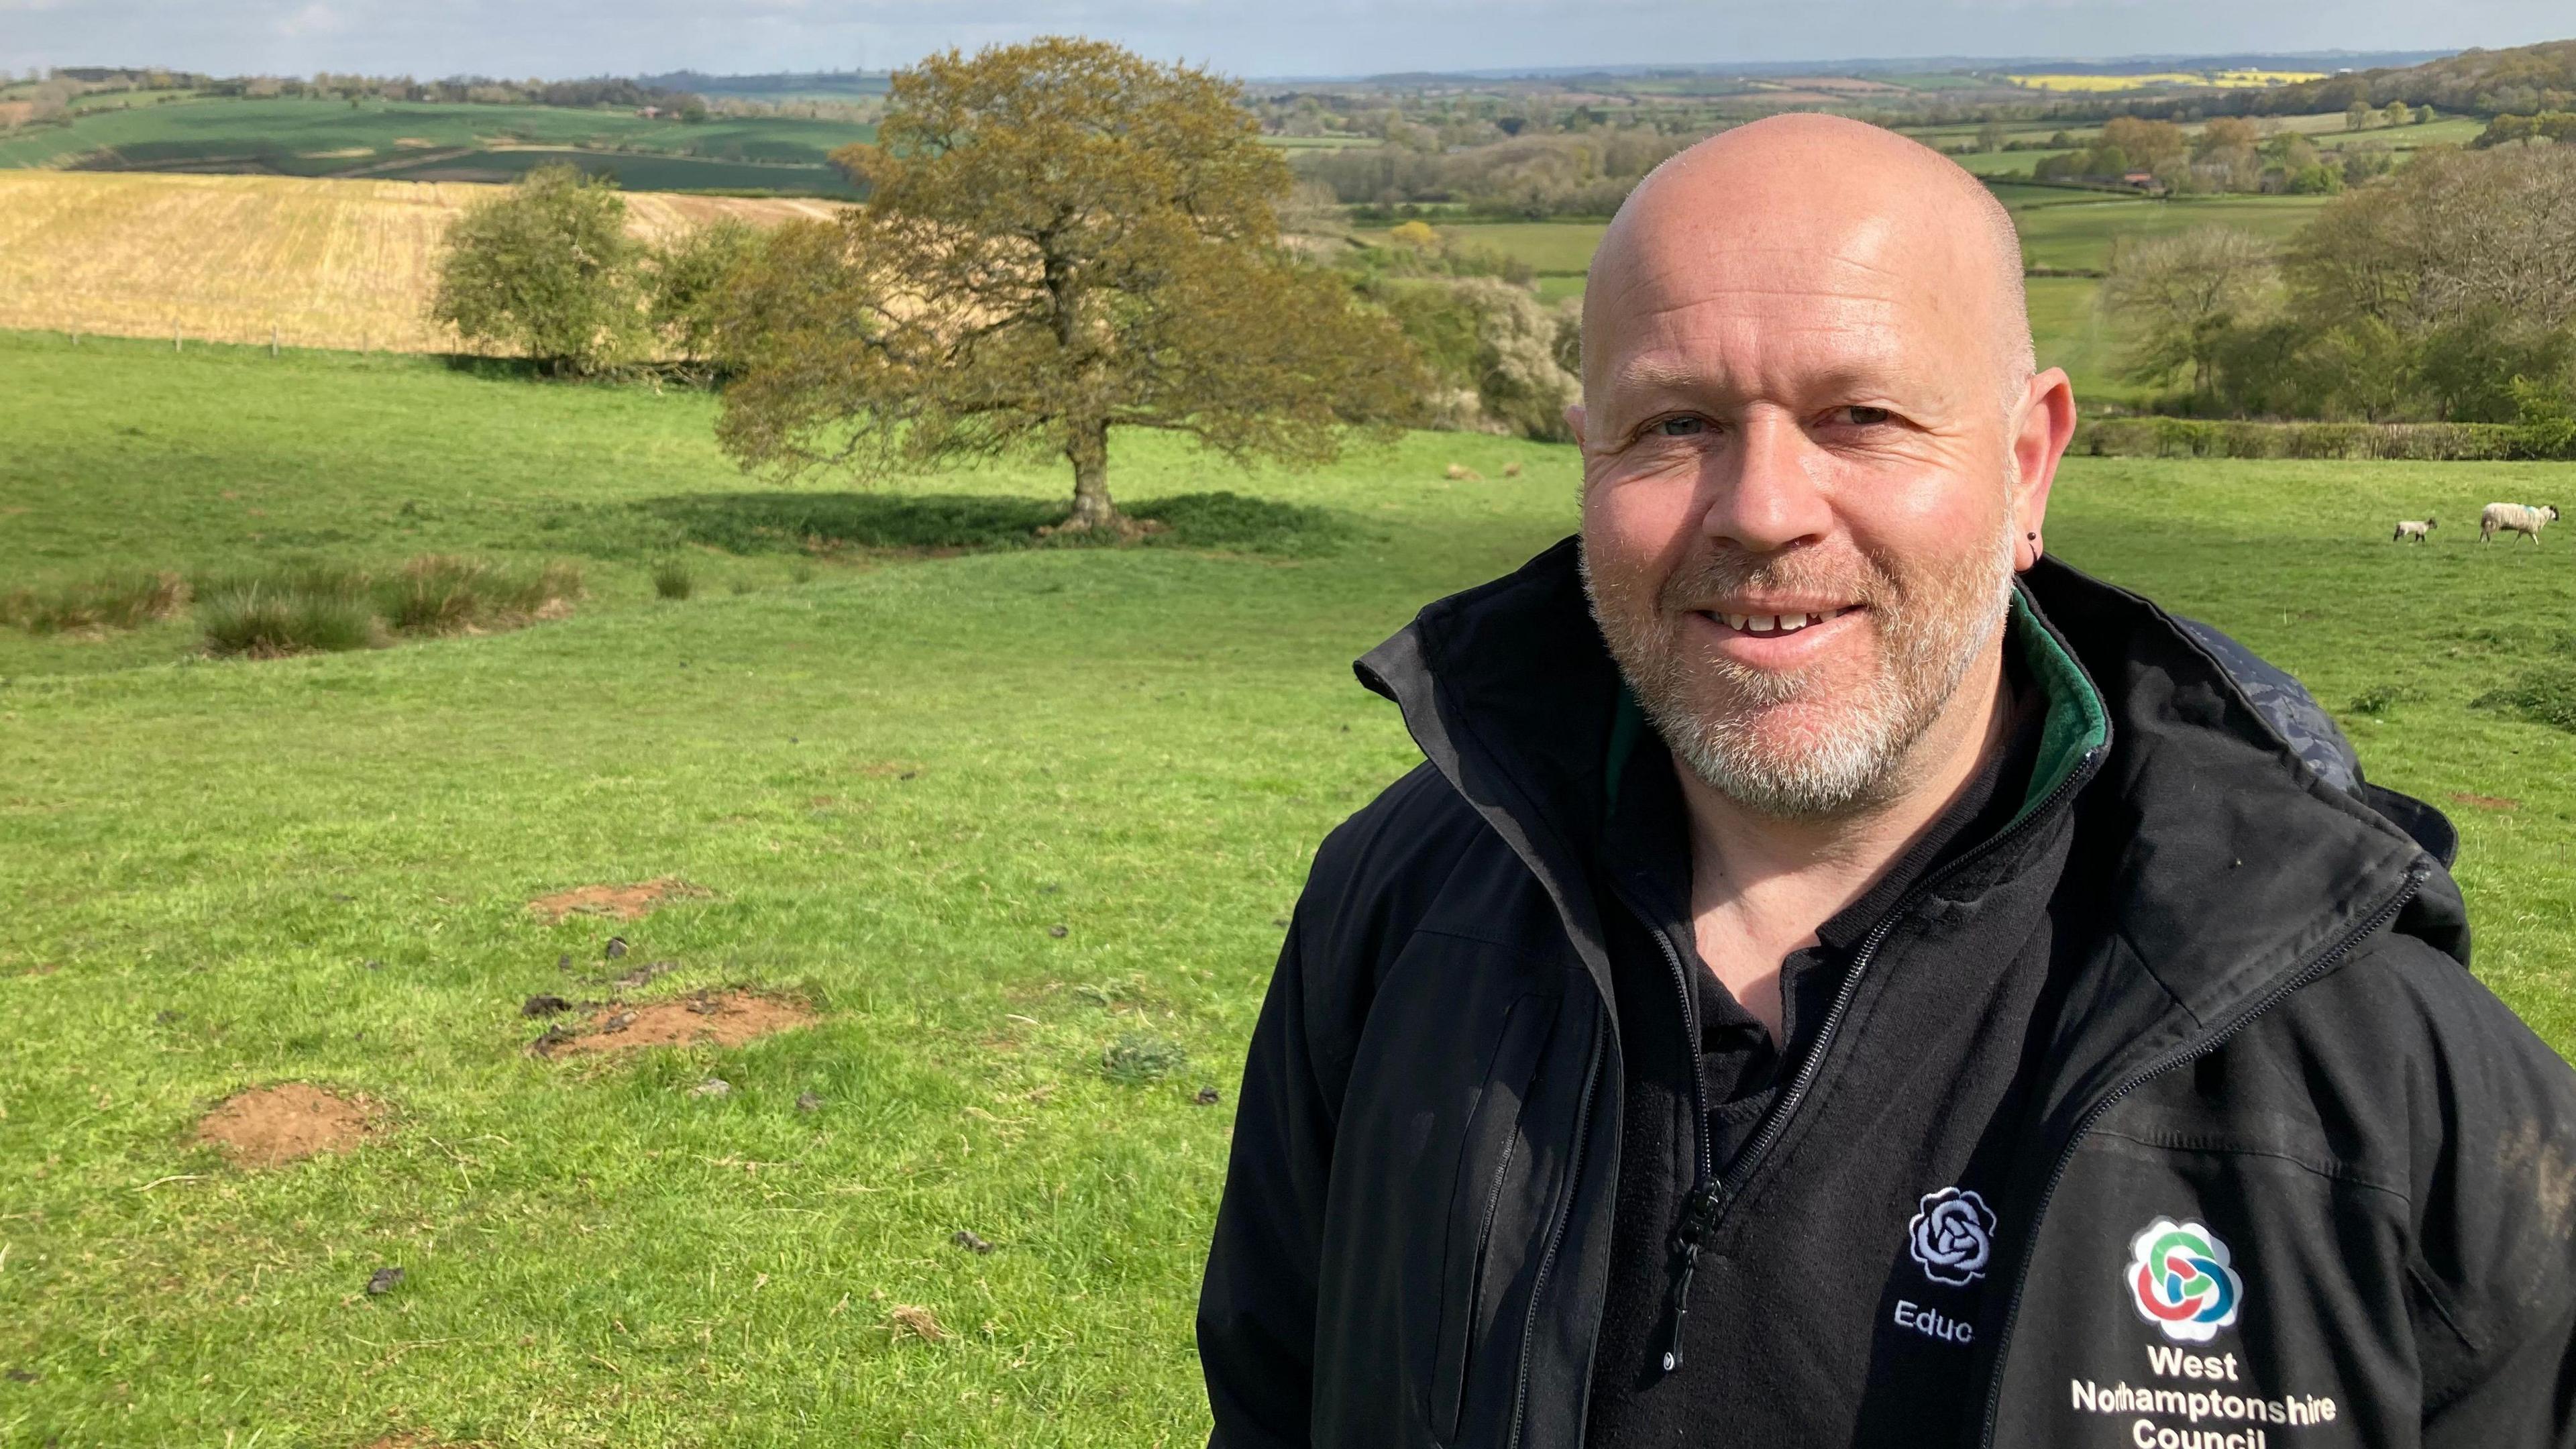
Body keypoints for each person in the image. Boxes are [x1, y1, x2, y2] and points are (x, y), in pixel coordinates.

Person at [1195, 114, 2576, 1449]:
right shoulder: (1401, 904)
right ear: (1586, 458)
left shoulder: (2371, 1052)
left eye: (1859, 415)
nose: (1762, 508)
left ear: (2029, 463)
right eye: (1673, 425)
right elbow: (1276, 1401)